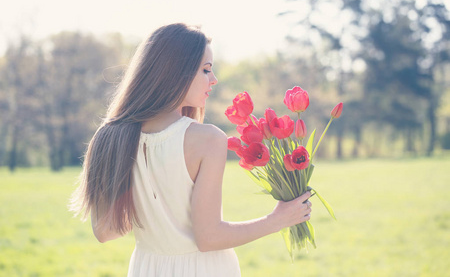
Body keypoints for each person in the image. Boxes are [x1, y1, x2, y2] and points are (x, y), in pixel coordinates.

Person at [70, 23, 312, 277]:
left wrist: (153, 206)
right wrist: (277, 220)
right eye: (206, 70)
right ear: (175, 72)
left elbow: (105, 231)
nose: (214, 79)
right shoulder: (207, 139)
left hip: (147, 269)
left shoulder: (108, 136)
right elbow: (209, 238)